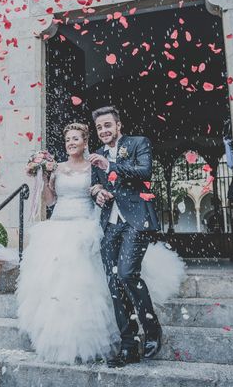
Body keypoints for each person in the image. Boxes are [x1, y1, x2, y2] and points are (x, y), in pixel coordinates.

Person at [16, 123, 120, 364]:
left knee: (79, 285)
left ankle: (81, 336)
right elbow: (51, 200)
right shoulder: (57, 168)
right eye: (67, 140)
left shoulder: (93, 167)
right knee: (53, 285)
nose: (71, 143)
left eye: (75, 139)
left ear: (85, 142)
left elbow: (99, 193)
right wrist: (42, 180)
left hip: (84, 225)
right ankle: (53, 334)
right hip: (57, 224)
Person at [89, 105, 163, 367]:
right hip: (110, 223)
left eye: (108, 125)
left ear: (118, 125)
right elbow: (96, 182)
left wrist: (111, 164)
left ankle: (151, 328)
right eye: (99, 127)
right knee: (114, 284)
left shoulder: (138, 143)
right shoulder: (96, 154)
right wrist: (97, 191)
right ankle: (129, 345)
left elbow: (145, 172)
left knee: (126, 273)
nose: (104, 131)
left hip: (136, 219)